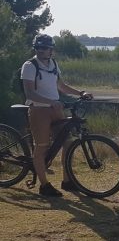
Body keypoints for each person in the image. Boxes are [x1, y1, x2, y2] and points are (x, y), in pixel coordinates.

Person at [21, 34, 93, 198]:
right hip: (39, 110)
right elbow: (30, 93)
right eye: (39, 47)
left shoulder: (53, 64)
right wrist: (50, 102)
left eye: (45, 48)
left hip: (55, 108)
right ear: (36, 48)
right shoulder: (30, 65)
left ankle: (67, 181)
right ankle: (44, 185)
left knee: (67, 143)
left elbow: (61, 86)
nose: (42, 50)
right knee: (42, 146)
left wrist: (81, 92)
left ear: (51, 49)